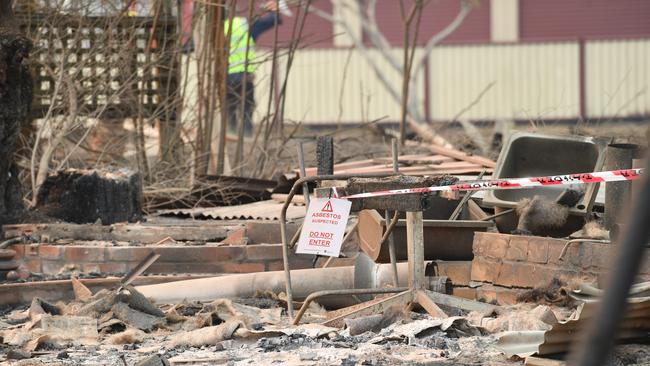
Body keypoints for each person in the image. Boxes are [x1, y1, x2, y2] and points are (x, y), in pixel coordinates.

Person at [224, 0, 291, 137]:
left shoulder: (217, 29)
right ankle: (247, 136)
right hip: (245, 77)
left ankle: (230, 134)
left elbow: (192, 46)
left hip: (226, 78)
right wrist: (273, 9)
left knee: (229, 107)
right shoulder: (246, 25)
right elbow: (273, 20)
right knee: (247, 108)